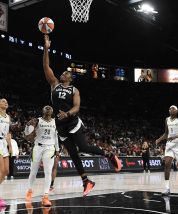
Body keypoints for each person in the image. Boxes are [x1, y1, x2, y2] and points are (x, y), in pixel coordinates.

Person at [43, 34, 121, 196]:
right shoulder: (54, 85)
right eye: (62, 73)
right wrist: (46, 49)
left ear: (70, 79)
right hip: (61, 126)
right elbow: (46, 66)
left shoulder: (74, 90)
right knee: (73, 154)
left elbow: (77, 107)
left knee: (84, 147)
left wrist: (67, 113)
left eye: (66, 73)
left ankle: (109, 154)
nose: (62, 74)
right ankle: (86, 181)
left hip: (72, 122)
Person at [25, 105, 59, 206]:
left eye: (50, 107)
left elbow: (56, 136)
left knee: (48, 172)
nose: (48, 108)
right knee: (33, 171)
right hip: (38, 147)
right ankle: (30, 191)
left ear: (52, 112)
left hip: (49, 148)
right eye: (46, 107)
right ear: (43, 111)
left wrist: (57, 150)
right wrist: (28, 125)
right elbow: (27, 133)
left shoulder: (55, 122)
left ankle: (46, 196)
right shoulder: (37, 121)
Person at [156, 105, 178, 196]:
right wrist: (159, 139)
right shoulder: (167, 119)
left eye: (174, 108)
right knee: (167, 165)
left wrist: (175, 137)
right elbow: (166, 133)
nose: (172, 109)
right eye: (170, 108)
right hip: (169, 145)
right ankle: (167, 188)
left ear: (177, 110)